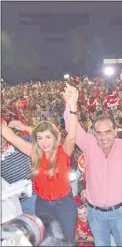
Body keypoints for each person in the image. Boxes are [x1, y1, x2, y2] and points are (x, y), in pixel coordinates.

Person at [63, 99, 122, 246]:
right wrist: (69, 103)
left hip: (120, 212)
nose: (103, 137)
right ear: (94, 133)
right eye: (99, 133)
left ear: (115, 131)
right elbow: (71, 127)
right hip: (95, 214)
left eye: (107, 132)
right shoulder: (88, 144)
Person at [1, 83, 79, 244]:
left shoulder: (64, 152)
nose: (45, 143)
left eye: (48, 137)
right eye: (40, 138)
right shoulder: (34, 153)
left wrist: (73, 106)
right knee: (46, 242)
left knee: (68, 242)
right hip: (42, 205)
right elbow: (11, 137)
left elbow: (71, 135)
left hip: (64, 205)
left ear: (55, 137)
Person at [1, 120, 36, 215]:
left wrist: (25, 128)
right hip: (20, 205)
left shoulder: (22, 140)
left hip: (40, 195)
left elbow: (48, 140)